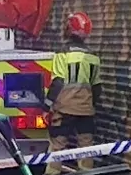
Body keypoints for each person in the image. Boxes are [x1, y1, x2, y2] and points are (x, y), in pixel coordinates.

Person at [43, 15, 100, 149]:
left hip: (64, 110)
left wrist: (46, 107)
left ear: (69, 29)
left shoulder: (62, 54)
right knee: (86, 148)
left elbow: (58, 82)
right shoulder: (93, 57)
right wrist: (88, 104)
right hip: (86, 111)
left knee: (57, 146)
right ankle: (87, 170)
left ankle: (53, 171)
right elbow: (97, 87)